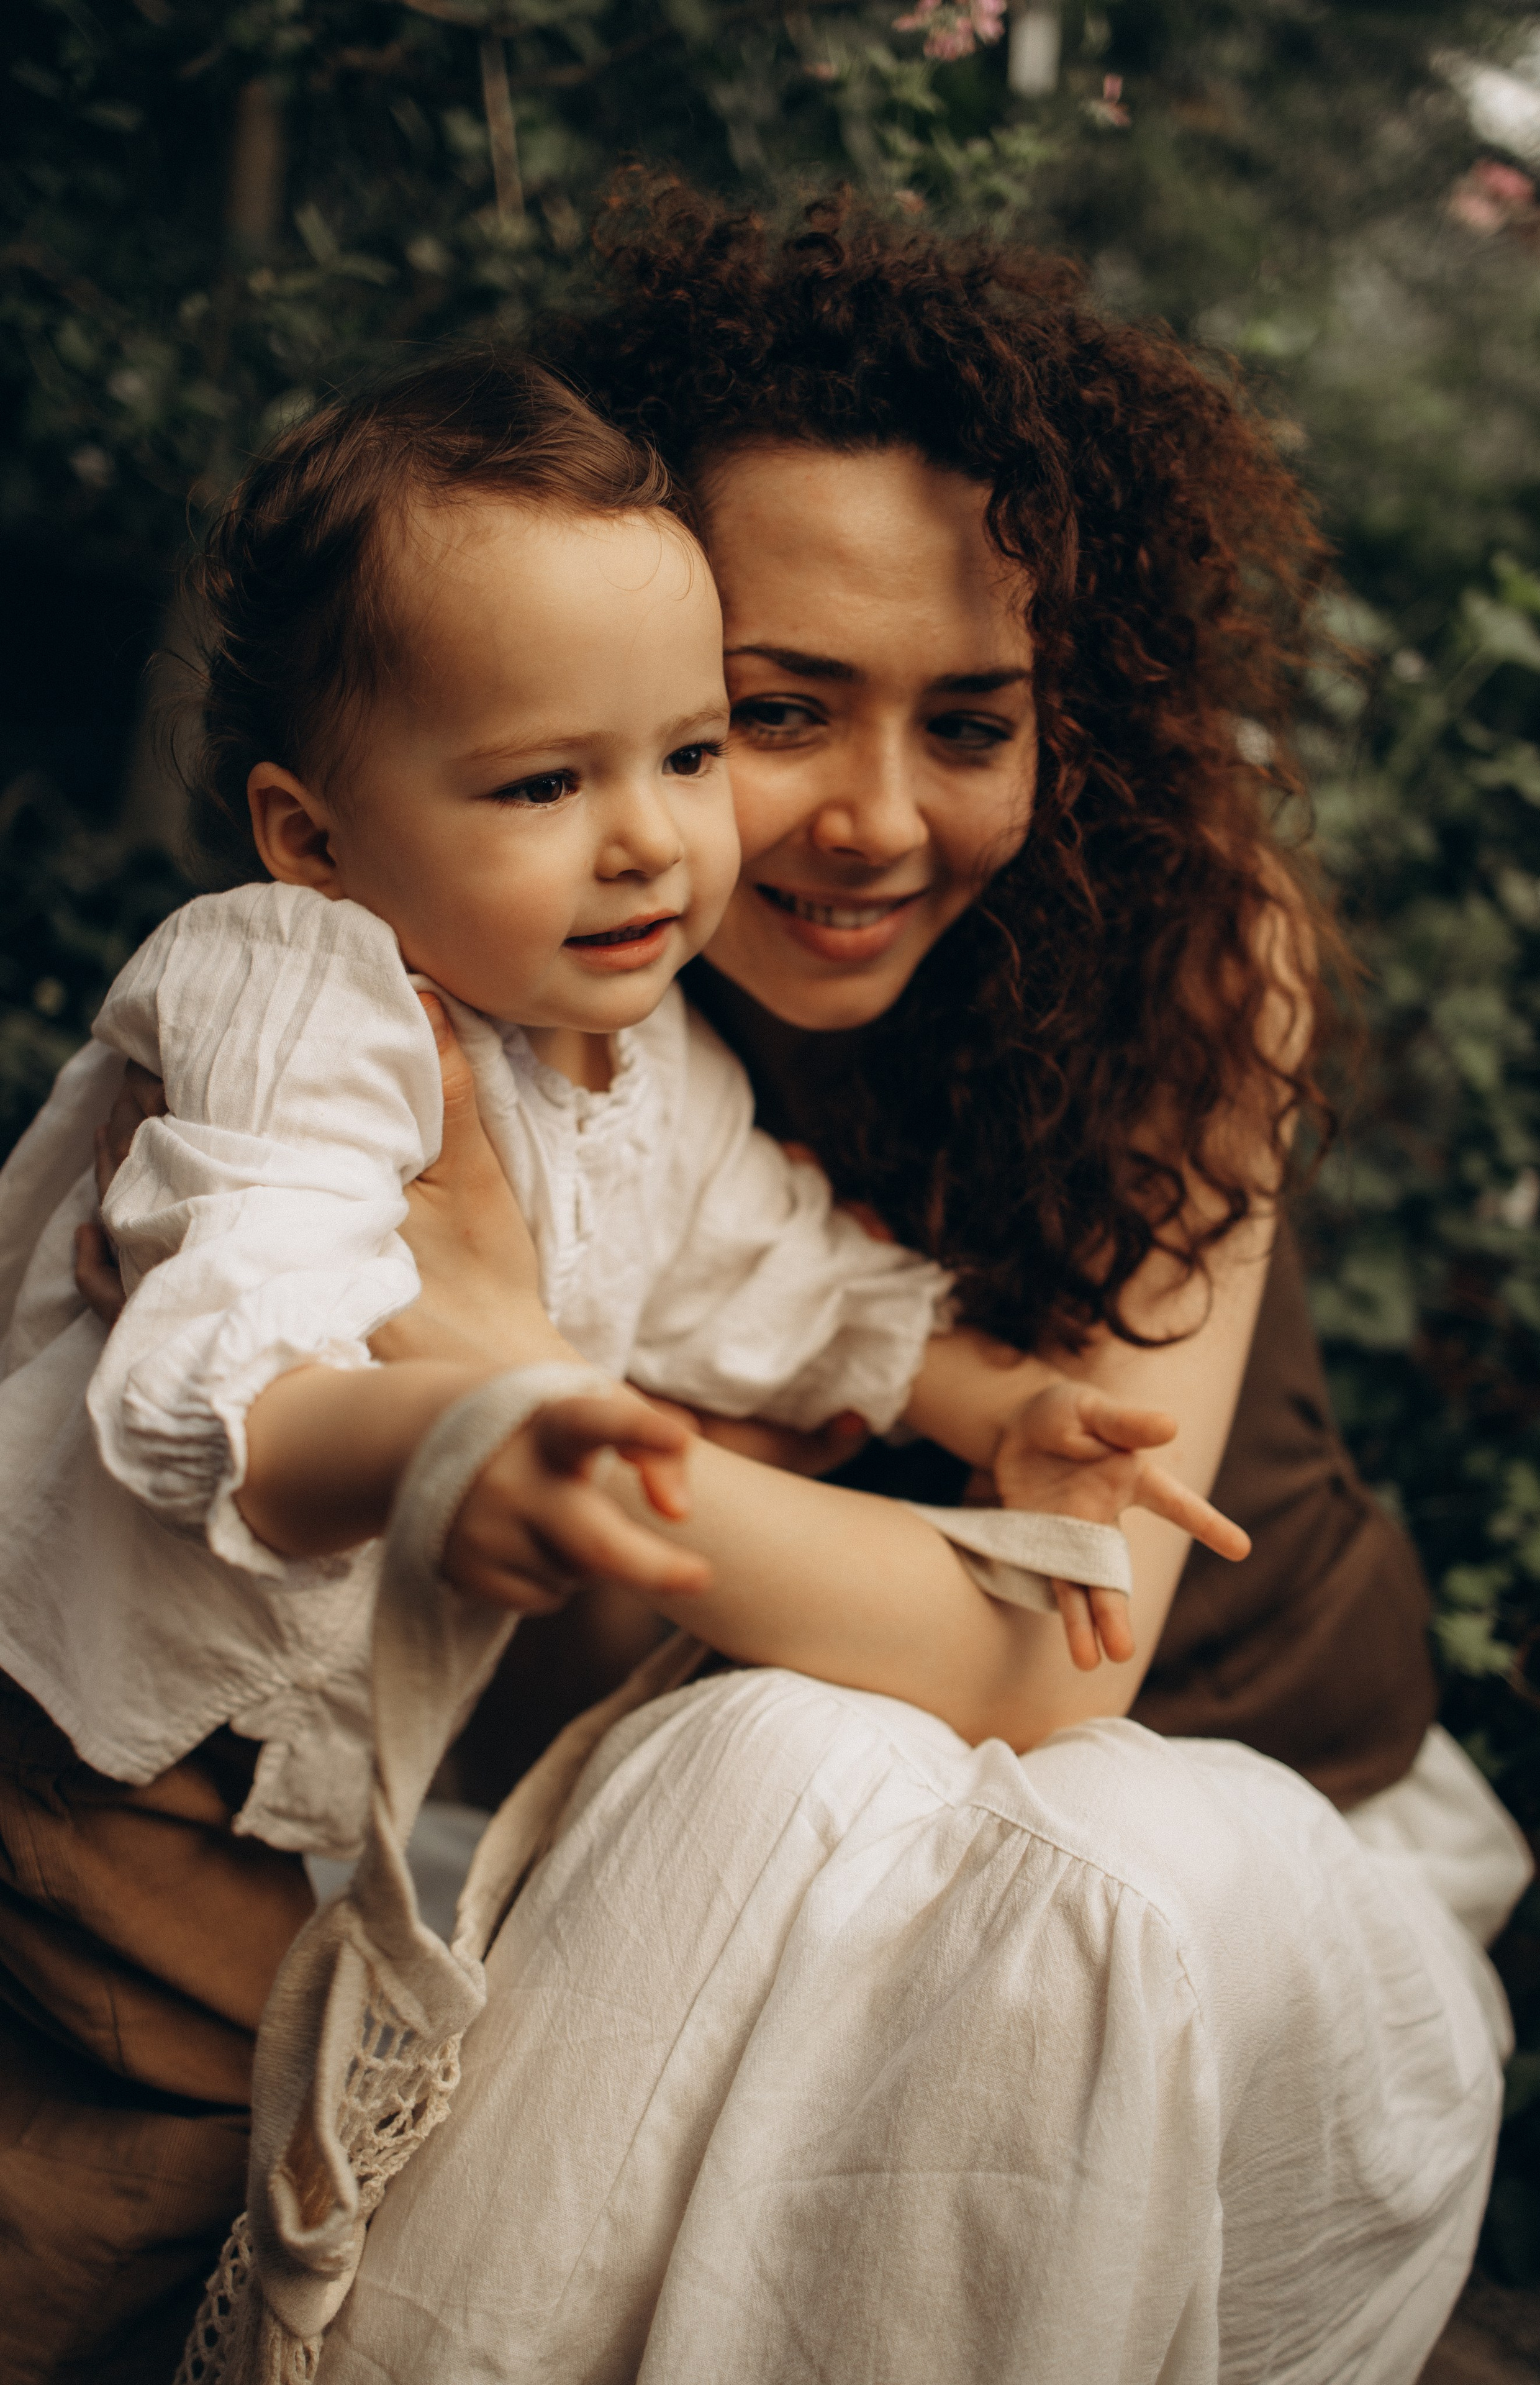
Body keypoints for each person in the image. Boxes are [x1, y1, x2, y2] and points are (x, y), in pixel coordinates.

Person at [0, 349, 1241, 2385]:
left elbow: (786, 1275)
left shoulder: (645, 1047)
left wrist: (991, 1400)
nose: (652, 845)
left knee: (266, 2114)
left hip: (276, 1779)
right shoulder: (302, 1006)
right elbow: (223, 1362)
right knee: (154, 2155)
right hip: (103, 1747)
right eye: (541, 785)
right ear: (312, 834)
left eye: (684, 756)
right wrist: (443, 1437)